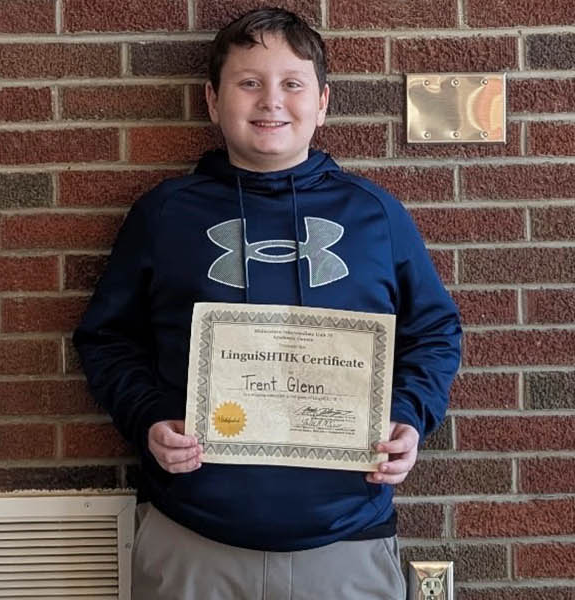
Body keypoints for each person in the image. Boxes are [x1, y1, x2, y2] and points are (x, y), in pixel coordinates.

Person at [70, 9, 463, 599]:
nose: (270, 101)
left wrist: (408, 415)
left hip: (346, 538)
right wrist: (149, 418)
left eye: (292, 83)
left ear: (323, 102)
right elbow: (108, 337)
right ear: (212, 100)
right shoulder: (165, 215)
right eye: (249, 82)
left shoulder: (376, 216)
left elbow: (433, 332)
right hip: (193, 536)